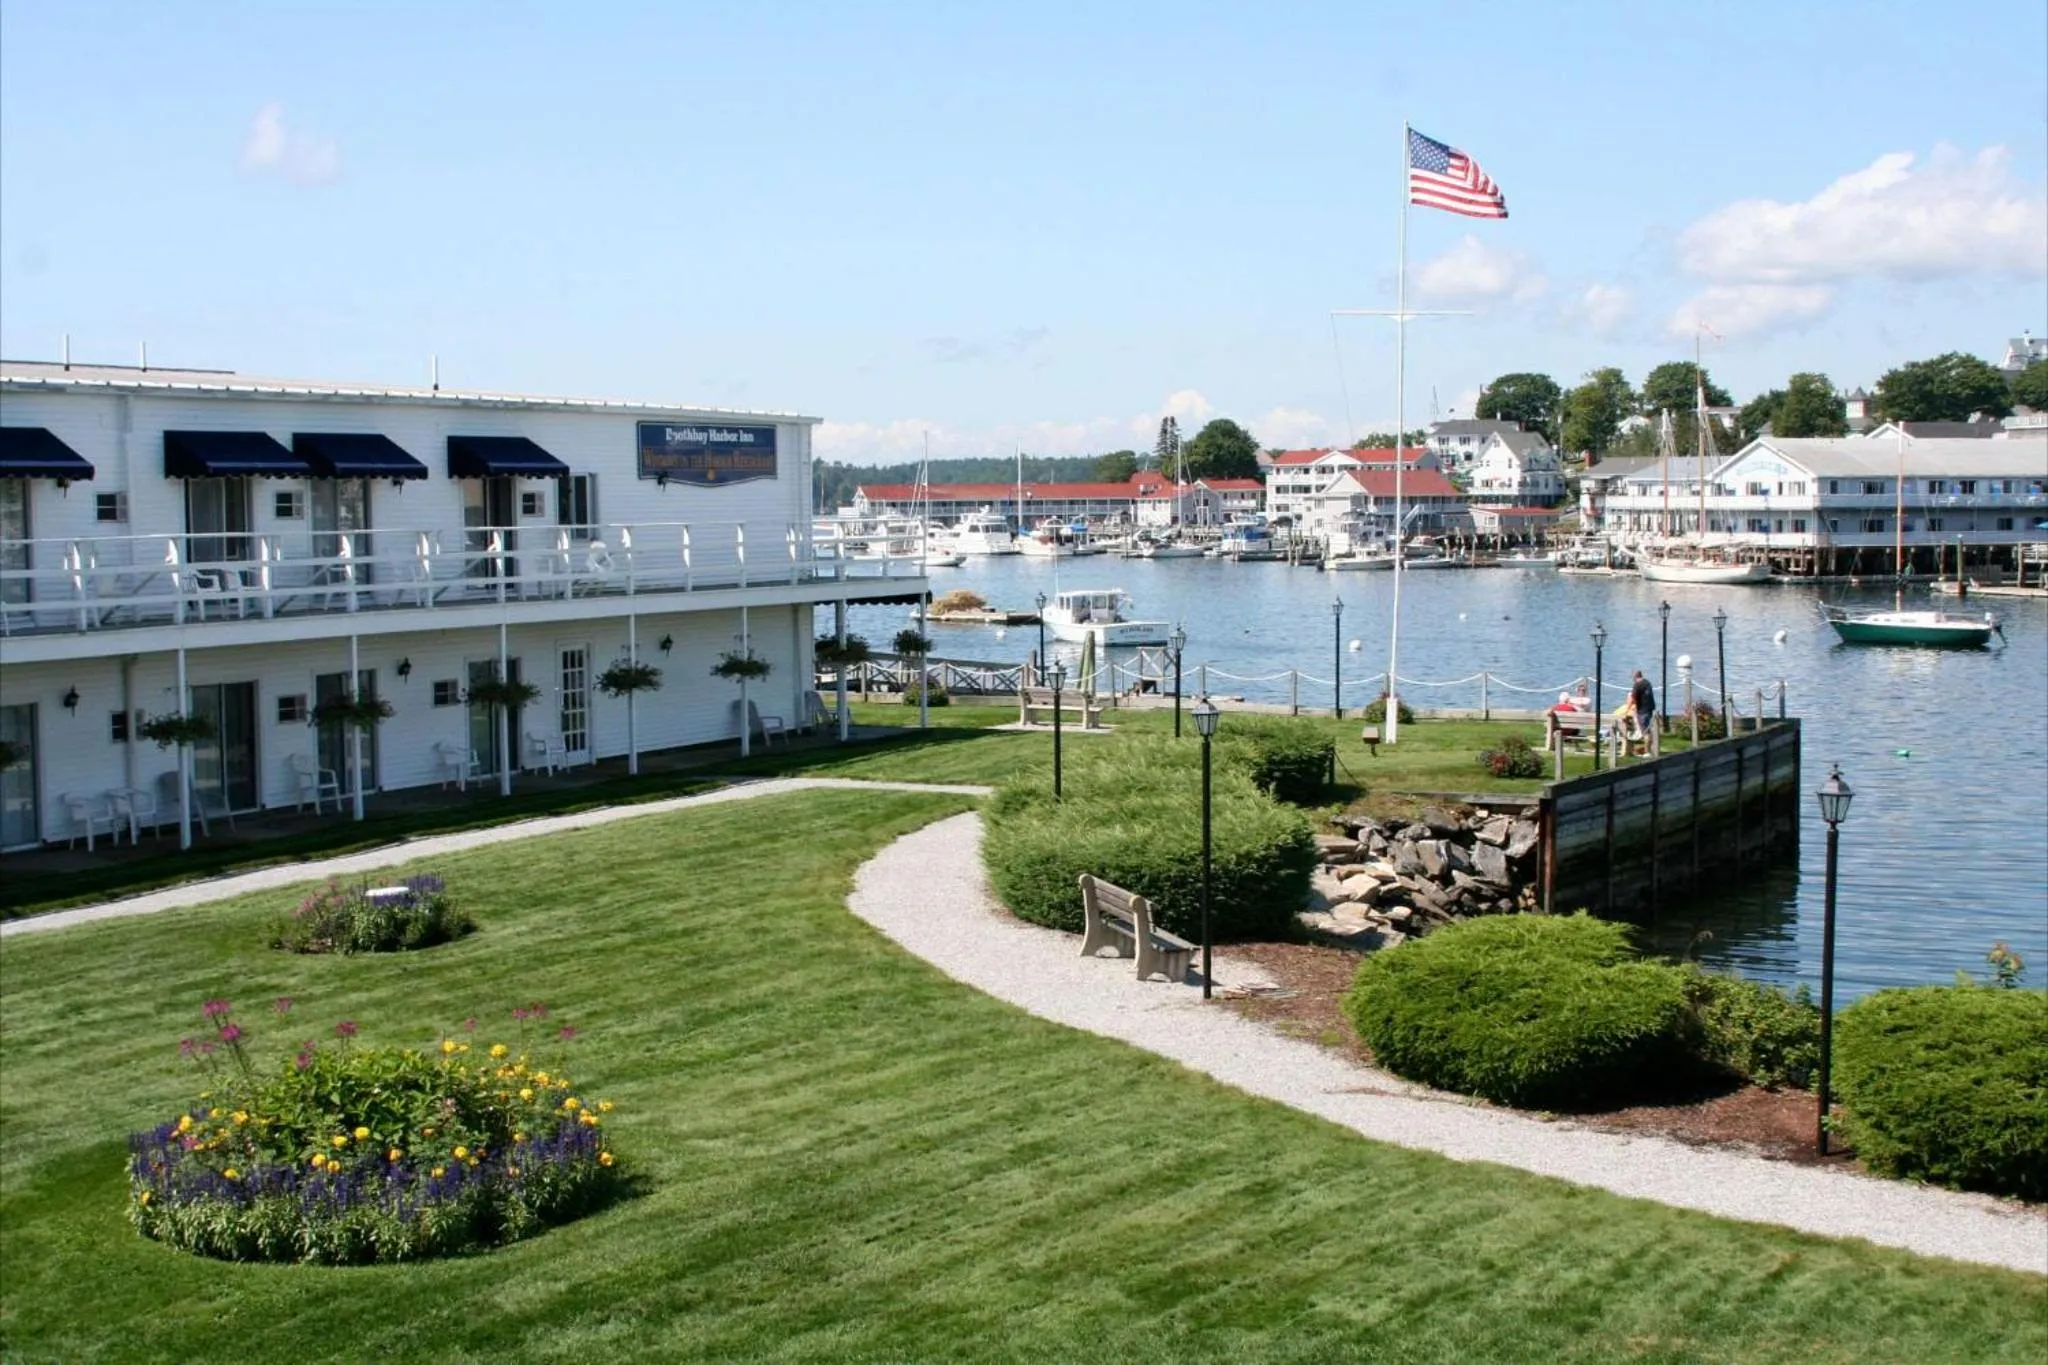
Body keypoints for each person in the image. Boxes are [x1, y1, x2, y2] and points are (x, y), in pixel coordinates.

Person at [1628, 669, 1659, 756]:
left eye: (1632, 677)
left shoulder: (1637, 685)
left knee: (1645, 732)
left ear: (1635, 677)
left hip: (1642, 711)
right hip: (1649, 709)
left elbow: (1632, 698)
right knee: (1648, 730)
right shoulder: (1647, 683)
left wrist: (1627, 709)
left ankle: (1647, 751)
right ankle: (1651, 749)